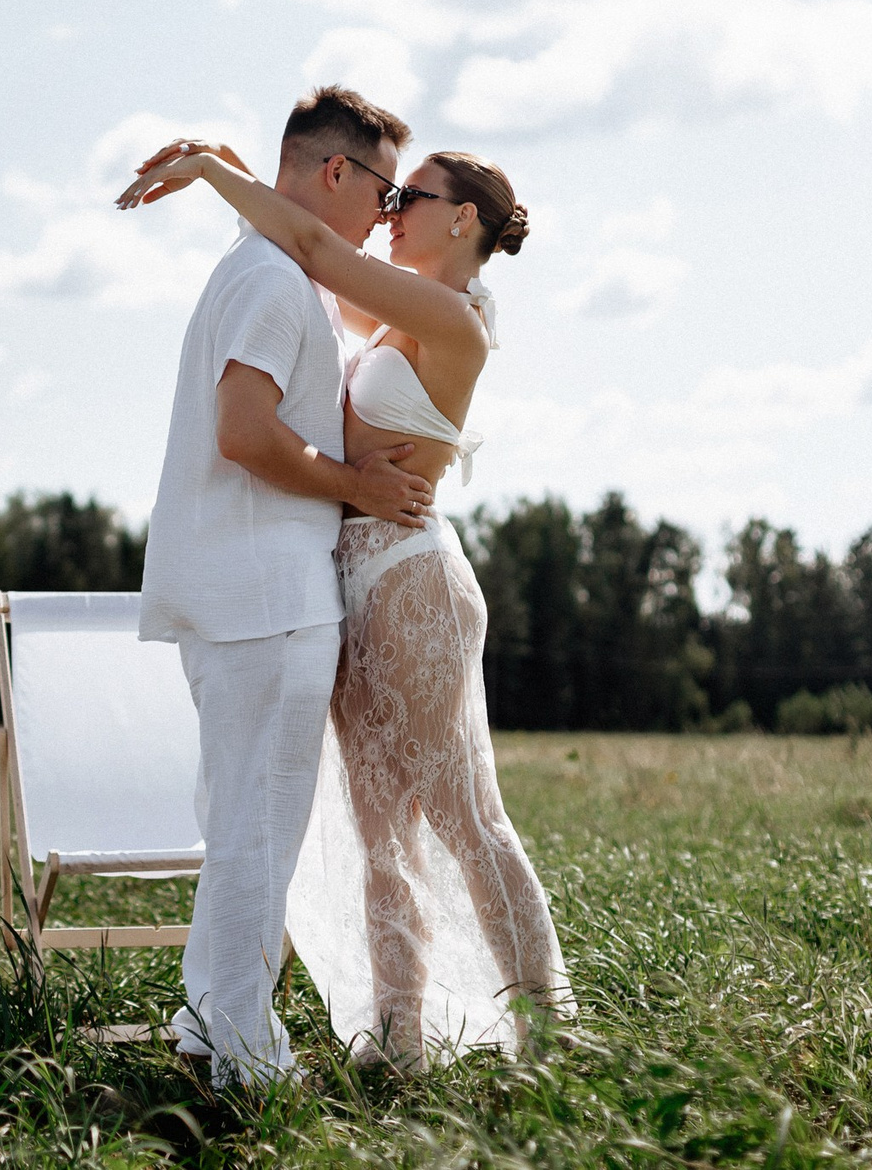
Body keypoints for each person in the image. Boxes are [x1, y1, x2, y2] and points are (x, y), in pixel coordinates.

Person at [119, 132, 571, 1070]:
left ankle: (549, 1028)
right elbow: (310, 254)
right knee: (378, 827)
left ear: (463, 221)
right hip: (349, 578)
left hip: (411, 581)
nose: (394, 209)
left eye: (413, 196)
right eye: (391, 192)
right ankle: (399, 1037)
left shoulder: (457, 321)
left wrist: (216, 178)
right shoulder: (394, 311)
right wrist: (271, 182)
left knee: (460, 812)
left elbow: (322, 251)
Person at [127, 86, 436, 1086]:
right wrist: (358, 486)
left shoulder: (257, 264)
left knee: (240, 825)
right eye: (385, 193)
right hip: (262, 592)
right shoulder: (272, 281)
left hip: (233, 588)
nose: (388, 221)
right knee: (262, 831)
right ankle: (244, 1056)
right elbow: (244, 432)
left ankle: (202, 1026)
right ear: (337, 173)